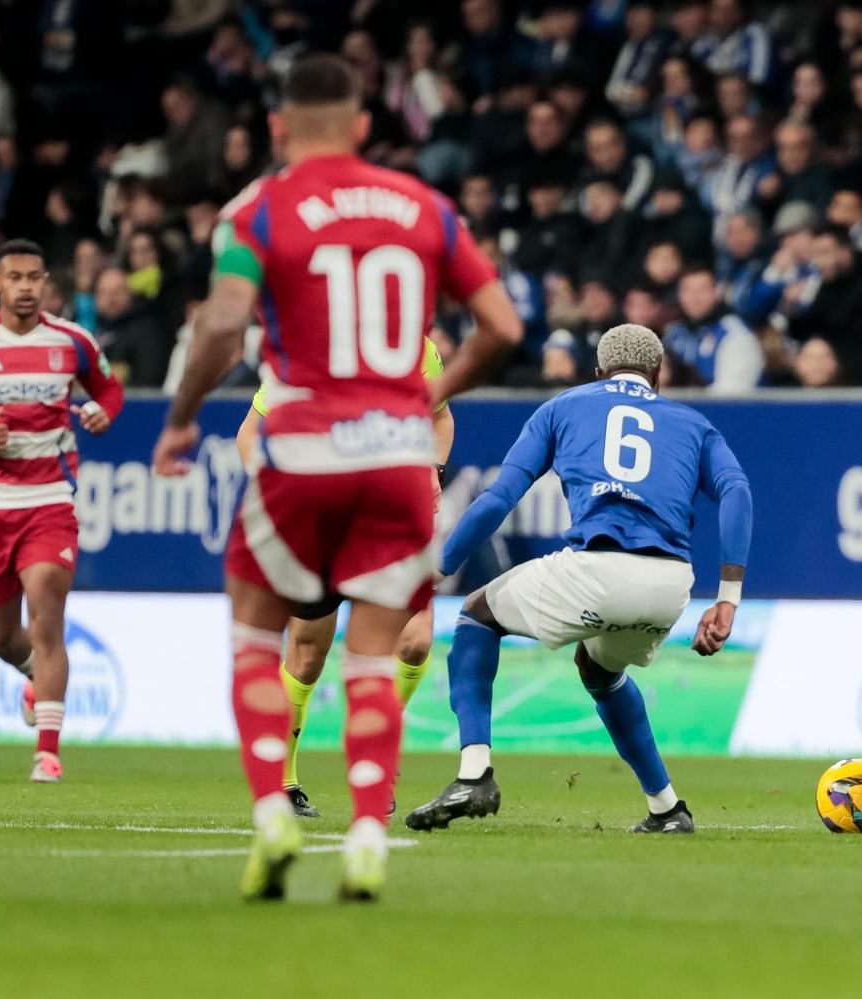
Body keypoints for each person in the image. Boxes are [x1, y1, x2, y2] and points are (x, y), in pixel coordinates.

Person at [149, 55, 522, 902]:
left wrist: (180, 416)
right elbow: (502, 326)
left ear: (278, 128)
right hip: (393, 463)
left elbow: (224, 323)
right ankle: (364, 834)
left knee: (255, 639)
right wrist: (422, 399)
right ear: (362, 126)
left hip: (303, 455)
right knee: (374, 657)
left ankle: (271, 812)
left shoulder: (256, 209)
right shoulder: (424, 207)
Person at [405, 323, 752, 835]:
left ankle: (474, 774)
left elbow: (499, 498)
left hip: (599, 570)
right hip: (670, 585)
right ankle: (667, 809)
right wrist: (728, 598)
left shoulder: (563, 406)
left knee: (477, 615)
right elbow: (737, 490)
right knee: (599, 671)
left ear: (598, 372)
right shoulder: (694, 423)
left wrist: (438, 570)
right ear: (658, 376)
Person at [0, 239, 123, 784]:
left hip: (50, 498)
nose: (26, 287)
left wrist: (101, 411)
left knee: (46, 616)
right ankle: (36, 676)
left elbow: (110, 389)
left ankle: (47, 754)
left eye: (34, 277)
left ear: (46, 283)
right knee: (1, 637)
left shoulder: (71, 341)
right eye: (15, 277)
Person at [232, 334, 455, 819]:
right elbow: (250, 430)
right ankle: (284, 783)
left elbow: (440, 417)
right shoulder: (313, 343)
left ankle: (377, 754)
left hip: (389, 516)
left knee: (416, 642)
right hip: (322, 518)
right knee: (308, 653)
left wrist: (432, 468)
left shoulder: (415, 347)